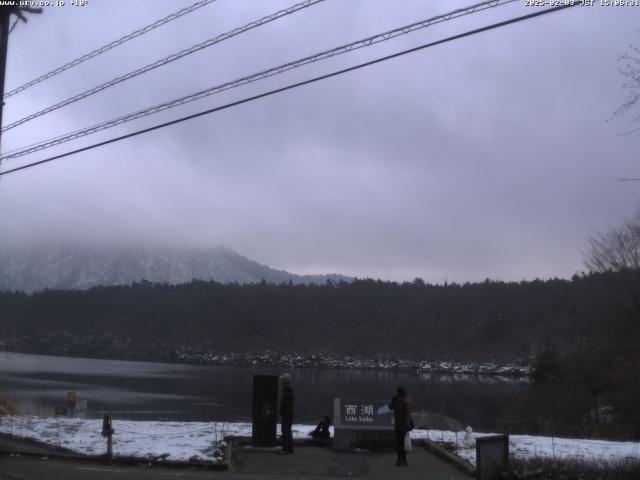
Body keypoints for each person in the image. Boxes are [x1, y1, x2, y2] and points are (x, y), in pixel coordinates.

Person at [389, 386, 412, 466]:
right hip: (405, 425)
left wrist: (392, 400)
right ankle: (404, 460)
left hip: (399, 425)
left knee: (399, 443)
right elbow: (408, 413)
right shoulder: (406, 399)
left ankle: (399, 460)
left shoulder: (396, 399)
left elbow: (390, 407)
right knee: (403, 443)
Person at [279, 373, 294, 454]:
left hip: (287, 414)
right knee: (287, 431)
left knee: (285, 431)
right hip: (288, 413)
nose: (281, 381)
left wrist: (284, 412)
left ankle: (286, 449)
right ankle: (289, 448)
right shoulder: (287, 388)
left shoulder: (287, 389)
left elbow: (287, 403)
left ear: (285, 380)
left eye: (282, 379)